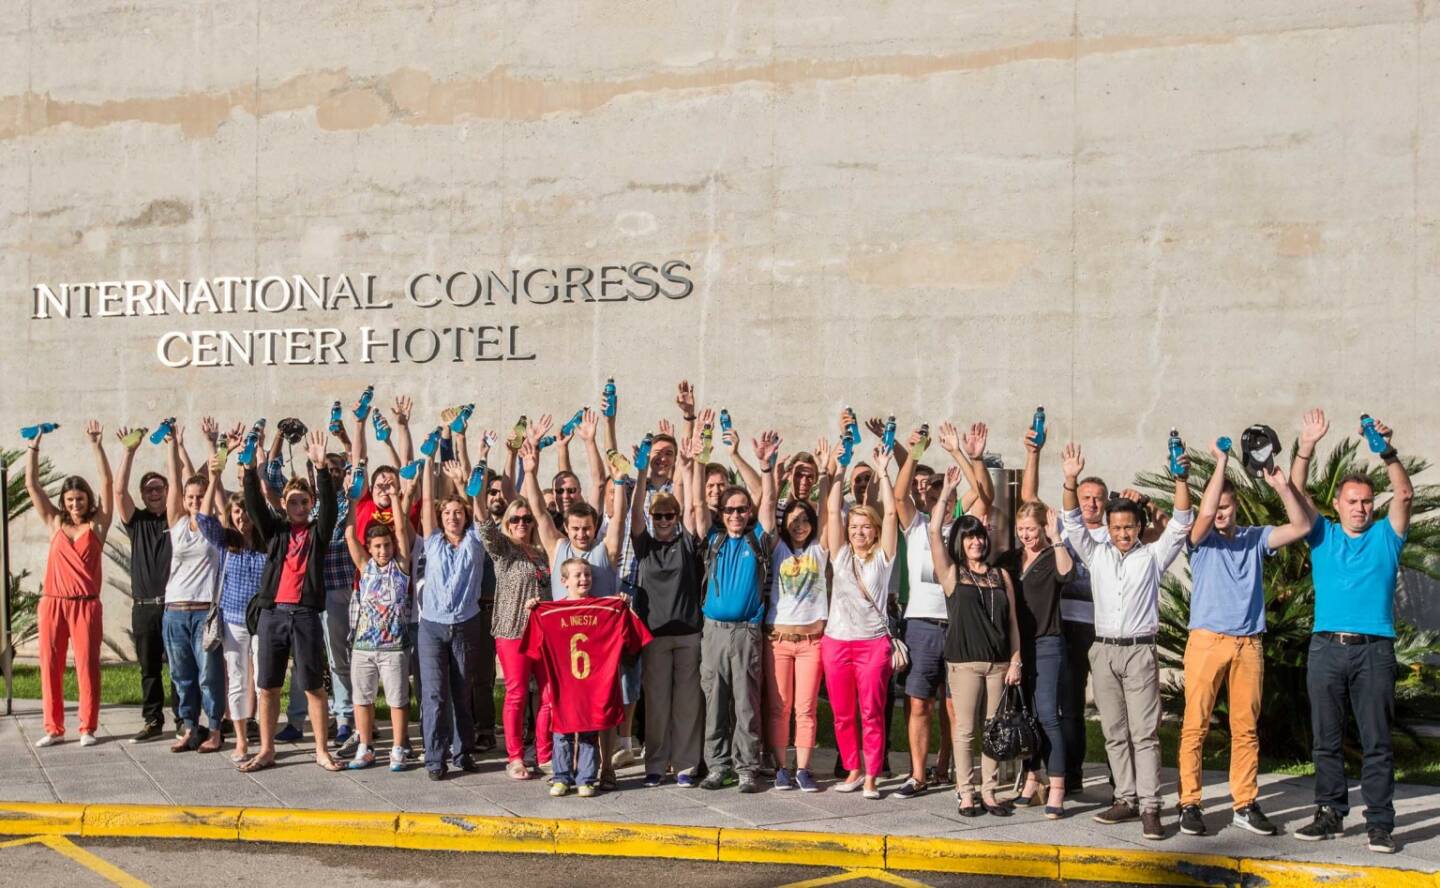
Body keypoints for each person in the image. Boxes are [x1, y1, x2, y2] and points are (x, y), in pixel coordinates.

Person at [1289, 410, 1413, 854]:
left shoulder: (1387, 536)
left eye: (1365, 501)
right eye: (1352, 501)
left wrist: (1387, 452)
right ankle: (1330, 812)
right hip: (1326, 648)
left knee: (1377, 740)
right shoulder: (1321, 535)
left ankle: (1380, 823)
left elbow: (1404, 491)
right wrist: (1306, 446)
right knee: (1325, 737)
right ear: (1337, 505)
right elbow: (1295, 491)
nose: (1360, 507)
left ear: (1372, 504)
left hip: (1374, 650)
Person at [1177, 439, 1312, 838]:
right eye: (1216, 506)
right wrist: (1220, 463)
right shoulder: (1200, 542)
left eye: (1226, 507)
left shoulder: (1255, 538)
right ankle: (1190, 803)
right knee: (1194, 725)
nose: (1219, 513)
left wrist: (1282, 487)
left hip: (1249, 644)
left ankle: (1244, 803)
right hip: (1206, 642)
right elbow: (1201, 512)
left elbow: (1302, 526)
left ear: (1236, 507)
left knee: (1246, 728)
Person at [1061, 441, 1192, 841]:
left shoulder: (1151, 557)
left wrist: (1181, 479)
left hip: (1138, 651)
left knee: (1144, 733)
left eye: (1128, 527)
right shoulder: (1095, 554)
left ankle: (1151, 807)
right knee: (1114, 731)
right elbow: (1070, 521)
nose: (1121, 533)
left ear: (1139, 528)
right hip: (1102, 650)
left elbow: (1182, 521)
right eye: (1116, 528)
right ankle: (1126, 798)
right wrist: (1070, 479)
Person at [891, 422, 991, 799]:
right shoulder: (915, 525)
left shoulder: (962, 530)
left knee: (955, 707)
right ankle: (917, 774)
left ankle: (949, 766)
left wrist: (958, 454)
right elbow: (900, 495)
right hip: (920, 625)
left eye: (939, 487)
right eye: (928, 488)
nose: (933, 493)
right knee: (919, 702)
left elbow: (983, 494)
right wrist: (913, 454)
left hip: (958, 626)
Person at [239, 430, 340, 773]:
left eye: (304, 501)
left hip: (306, 615)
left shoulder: (317, 533)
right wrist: (250, 470)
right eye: (293, 501)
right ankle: (267, 749)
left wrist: (321, 468)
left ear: (311, 505)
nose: (299, 506)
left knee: (313, 685)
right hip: (273, 616)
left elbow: (330, 513)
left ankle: (321, 750)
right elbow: (254, 505)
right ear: (284, 504)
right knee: (268, 685)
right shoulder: (277, 532)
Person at [691, 424, 780, 793]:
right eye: (730, 509)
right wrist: (697, 459)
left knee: (746, 704)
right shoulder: (711, 539)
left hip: (745, 632)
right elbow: (697, 504)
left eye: (742, 509)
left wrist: (764, 467)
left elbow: (770, 502)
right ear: (722, 512)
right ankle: (718, 765)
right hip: (713, 631)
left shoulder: (759, 540)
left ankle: (747, 766)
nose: (736, 515)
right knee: (715, 702)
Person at [929, 467, 1022, 817]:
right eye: (969, 537)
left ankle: (989, 791)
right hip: (965, 663)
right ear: (961, 542)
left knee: (994, 731)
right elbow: (933, 531)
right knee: (966, 731)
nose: (976, 542)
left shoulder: (1001, 575)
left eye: (980, 536)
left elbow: (1012, 623)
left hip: (999, 664)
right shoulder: (952, 574)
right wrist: (947, 492)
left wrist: (1015, 661)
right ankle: (965, 792)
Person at [524, 559, 653, 797]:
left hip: (591, 687)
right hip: (565, 685)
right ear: (564, 582)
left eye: (587, 575)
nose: (584, 579)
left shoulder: (607, 608)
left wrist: (624, 606)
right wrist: (534, 609)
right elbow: (532, 647)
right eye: (578, 576)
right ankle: (562, 777)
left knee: (588, 732)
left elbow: (635, 640)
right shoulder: (549, 611)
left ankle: (586, 778)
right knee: (562, 731)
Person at [25, 421, 113, 748]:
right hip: (52, 603)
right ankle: (53, 727)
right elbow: (32, 485)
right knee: (49, 665)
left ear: (87, 500)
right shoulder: (54, 523)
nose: (75, 504)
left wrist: (96, 445)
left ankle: (87, 727)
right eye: (70, 499)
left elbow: (107, 482)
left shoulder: (98, 525)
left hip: (86, 604)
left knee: (88, 667)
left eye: (80, 499)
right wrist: (34, 446)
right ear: (64, 502)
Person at [823, 442, 900, 800]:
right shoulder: (839, 556)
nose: (858, 532)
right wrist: (839, 470)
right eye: (854, 526)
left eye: (865, 526)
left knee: (871, 711)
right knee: (842, 712)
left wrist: (884, 474)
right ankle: (852, 768)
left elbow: (893, 516)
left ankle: (872, 774)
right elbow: (832, 508)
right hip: (836, 640)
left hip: (872, 644)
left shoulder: (882, 559)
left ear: (873, 529)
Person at [630, 439, 705, 787]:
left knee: (687, 703)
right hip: (654, 636)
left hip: (688, 634)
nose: (662, 520)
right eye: (658, 515)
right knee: (657, 705)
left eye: (668, 515)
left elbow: (693, 506)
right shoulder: (644, 545)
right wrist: (641, 470)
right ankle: (656, 764)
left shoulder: (686, 542)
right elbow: (634, 516)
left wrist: (688, 467)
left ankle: (686, 765)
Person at [762, 438, 834, 793]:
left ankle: (803, 768)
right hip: (778, 640)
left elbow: (832, 512)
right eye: (794, 520)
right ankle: (781, 767)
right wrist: (773, 476)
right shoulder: (777, 549)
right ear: (785, 524)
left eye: (806, 519)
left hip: (811, 641)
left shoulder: (820, 551)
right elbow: (767, 511)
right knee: (779, 708)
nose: (800, 524)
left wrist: (828, 474)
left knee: (805, 708)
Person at [476, 458, 553, 780]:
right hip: (512, 631)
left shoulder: (543, 552)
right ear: (507, 524)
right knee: (517, 693)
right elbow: (485, 529)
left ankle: (546, 753)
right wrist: (477, 494)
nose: (522, 523)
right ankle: (515, 756)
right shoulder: (504, 550)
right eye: (515, 519)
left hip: (545, 634)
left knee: (549, 694)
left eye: (526, 519)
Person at [995, 500, 1073, 818]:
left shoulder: (1054, 555)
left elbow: (1067, 575)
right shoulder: (1010, 559)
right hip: (1016, 647)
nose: (1027, 535)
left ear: (1043, 527)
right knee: (1026, 716)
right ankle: (1032, 778)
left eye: (1032, 529)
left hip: (1047, 643)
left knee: (1046, 716)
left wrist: (1056, 538)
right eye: (1022, 529)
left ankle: (1057, 787)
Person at [415, 455, 488, 780]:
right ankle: (435, 758)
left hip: (465, 624)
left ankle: (463, 751)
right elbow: (427, 500)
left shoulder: (474, 542)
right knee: (434, 694)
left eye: (458, 512)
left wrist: (462, 484)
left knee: (461, 690)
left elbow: (482, 514)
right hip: (431, 625)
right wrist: (428, 464)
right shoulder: (432, 542)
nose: (452, 517)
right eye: (447, 513)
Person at [342, 464, 415, 772]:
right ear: (369, 548)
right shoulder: (366, 566)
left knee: (398, 699)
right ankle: (365, 746)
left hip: (394, 646)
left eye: (386, 546)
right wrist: (352, 499)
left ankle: (399, 746)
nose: (383, 550)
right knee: (363, 697)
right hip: (364, 646)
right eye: (377, 546)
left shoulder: (400, 566)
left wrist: (396, 498)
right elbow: (349, 533)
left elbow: (400, 530)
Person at [161, 428, 226, 753]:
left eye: (200, 497)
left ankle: (214, 729)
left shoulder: (211, 529)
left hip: (204, 612)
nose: (195, 502)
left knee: (208, 675)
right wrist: (174, 446)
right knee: (181, 675)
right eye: (190, 498)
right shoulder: (175, 525)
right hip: (174, 611)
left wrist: (213, 475)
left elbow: (212, 499)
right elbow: (174, 480)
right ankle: (189, 727)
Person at [113, 425, 174, 743]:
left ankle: (186, 720)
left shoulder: (175, 519)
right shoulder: (136, 523)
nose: (154, 493)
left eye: (159, 489)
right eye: (149, 489)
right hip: (144, 609)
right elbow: (119, 493)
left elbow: (183, 485)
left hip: (174, 608)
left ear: (167, 492)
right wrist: (129, 451)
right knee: (149, 670)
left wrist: (171, 446)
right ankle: (153, 721)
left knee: (180, 668)